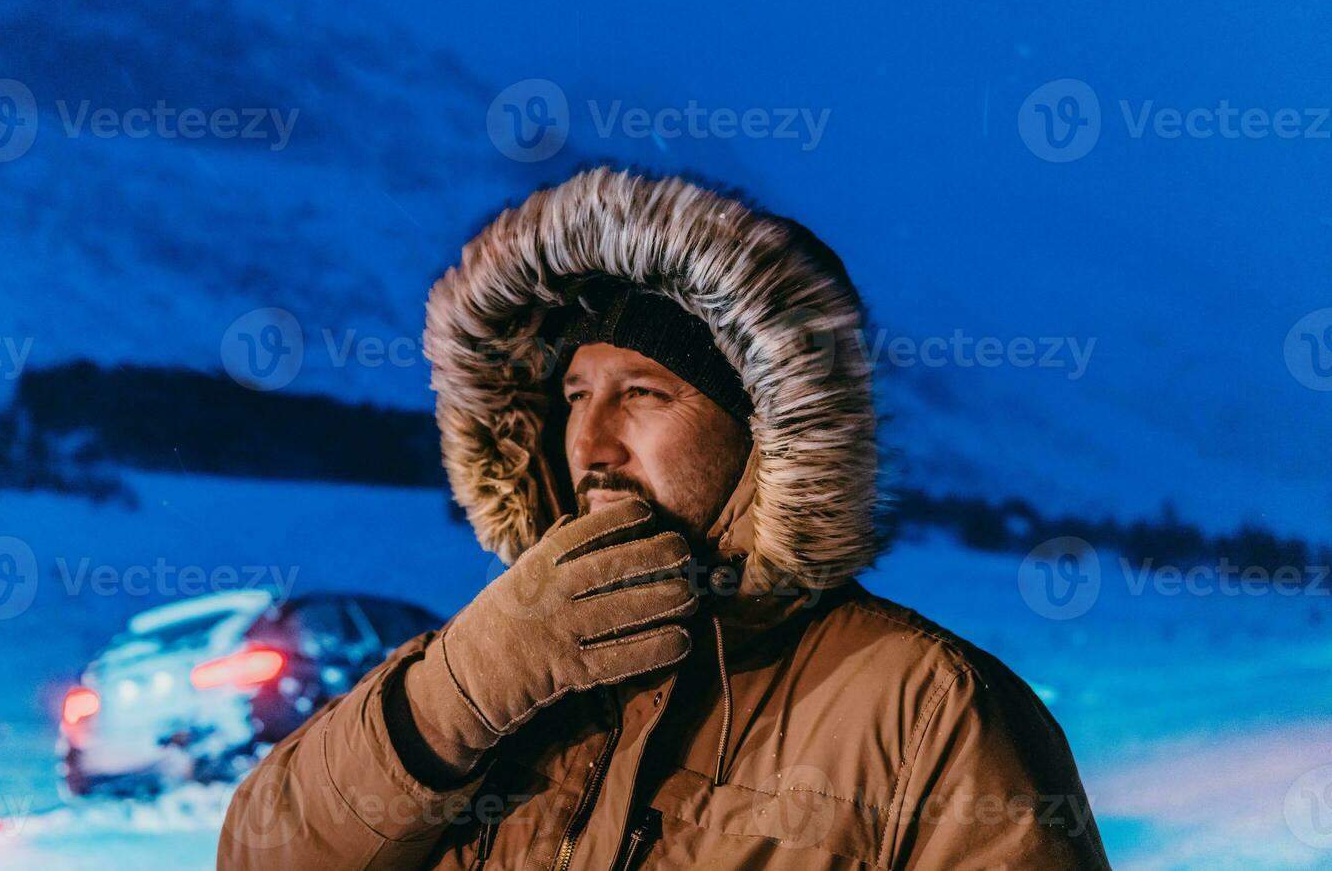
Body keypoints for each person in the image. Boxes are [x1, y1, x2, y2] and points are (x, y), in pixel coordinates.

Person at [219, 168, 1109, 869]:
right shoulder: (492, 675)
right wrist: (461, 689)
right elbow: (258, 857)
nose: (592, 444)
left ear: (764, 430)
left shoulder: (929, 712)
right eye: (574, 397)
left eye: (643, 394)